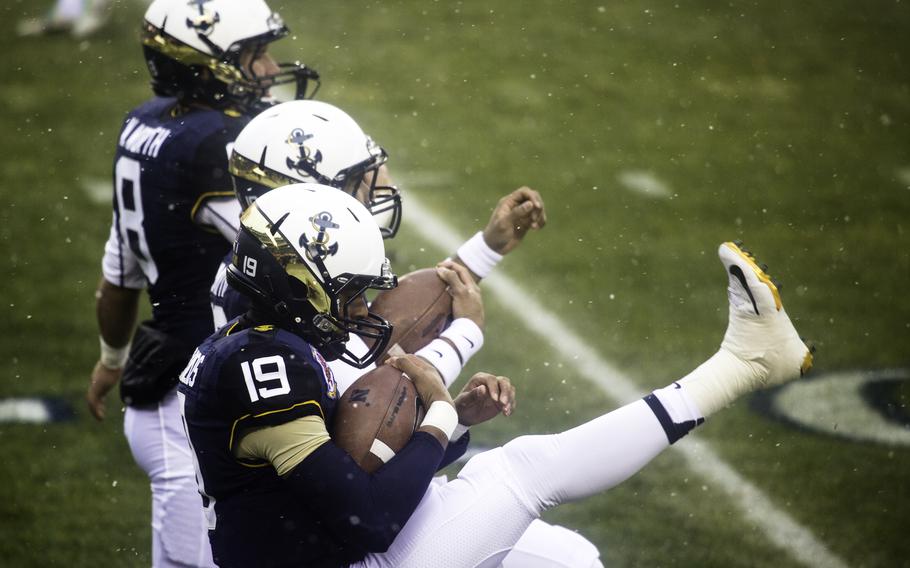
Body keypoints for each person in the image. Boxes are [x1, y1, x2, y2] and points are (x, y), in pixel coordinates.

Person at [178, 183, 813, 567]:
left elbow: (339, 474)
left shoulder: (251, 339)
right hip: (338, 557)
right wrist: (440, 418)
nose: (360, 311)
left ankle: (749, 358)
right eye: (347, 294)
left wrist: (446, 423)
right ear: (295, 285)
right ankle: (746, 362)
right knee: (521, 471)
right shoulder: (263, 364)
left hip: (310, 551)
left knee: (559, 547)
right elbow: (364, 518)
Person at [210, 100, 601, 565]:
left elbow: (373, 332)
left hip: (316, 506)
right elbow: (377, 388)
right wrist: (464, 339)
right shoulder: (272, 322)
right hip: (335, 522)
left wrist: (483, 252)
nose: (376, 189)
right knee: (564, 549)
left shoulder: (266, 275)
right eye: (355, 181)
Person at [84, 1, 318, 566]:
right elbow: (296, 262)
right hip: (193, 400)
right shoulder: (213, 144)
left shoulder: (147, 125)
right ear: (199, 64)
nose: (268, 69)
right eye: (253, 55)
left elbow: (118, 280)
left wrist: (111, 357)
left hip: (182, 384)